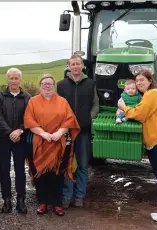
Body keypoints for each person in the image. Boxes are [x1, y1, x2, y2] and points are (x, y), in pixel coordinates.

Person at [24, 74, 80, 216]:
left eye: (50, 84)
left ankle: (57, 203)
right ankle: (43, 202)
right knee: (40, 173)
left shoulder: (62, 101)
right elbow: (29, 120)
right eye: (44, 83)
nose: (47, 86)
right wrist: (43, 133)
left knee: (57, 173)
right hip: (39, 142)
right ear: (40, 86)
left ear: (54, 86)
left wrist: (59, 133)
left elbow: (70, 120)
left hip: (58, 142)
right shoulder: (33, 101)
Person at [118, 69, 157, 223]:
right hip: (154, 140)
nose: (138, 83)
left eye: (142, 80)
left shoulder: (153, 94)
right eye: (137, 81)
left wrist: (124, 107)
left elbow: (139, 114)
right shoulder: (149, 95)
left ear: (150, 80)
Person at [57, 55, 99, 208]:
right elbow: (57, 106)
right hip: (66, 131)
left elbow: (95, 105)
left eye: (78, 64)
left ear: (82, 66)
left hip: (83, 131)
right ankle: (67, 195)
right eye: (73, 64)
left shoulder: (90, 83)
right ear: (69, 66)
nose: (75, 66)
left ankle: (79, 196)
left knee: (82, 164)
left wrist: (88, 118)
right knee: (67, 163)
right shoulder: (61, 85)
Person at [0, 68, 31, 214]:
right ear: (7, 79)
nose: (14, 81)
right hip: (3, 138)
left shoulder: (27, 97)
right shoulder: (0, 96)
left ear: (20, 80)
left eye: (16, 78)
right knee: (4, 169)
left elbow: (29, 117)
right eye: (11, 78)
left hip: (20, 138)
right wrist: (10, 132)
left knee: (20, 170)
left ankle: (21, 200)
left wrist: (20, 130)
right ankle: (6, 200)